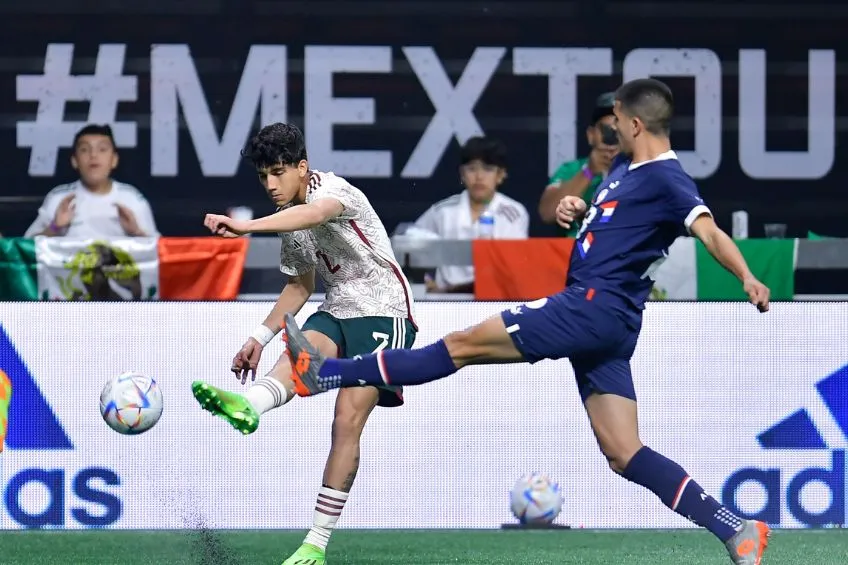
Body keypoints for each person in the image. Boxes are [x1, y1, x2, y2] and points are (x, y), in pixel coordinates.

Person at [281, 80, 772, 564]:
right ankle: (736, 528)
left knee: (461, 344)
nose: (608, 133)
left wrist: (747, 276)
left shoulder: (667, 177)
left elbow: (709, 232)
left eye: (615, 123)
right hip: (613, 324)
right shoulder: (625, 168)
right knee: (624, 452)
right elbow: (620, 232)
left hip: (591, 308)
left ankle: (326, 372)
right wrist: (578, 212)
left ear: (636, 123)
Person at [191, 123, 417, 565]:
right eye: (263, 177)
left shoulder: (332, 190)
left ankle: (315, 544)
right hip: (337, 309)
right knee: (298, 353)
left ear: (302, 167)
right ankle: (250, 405)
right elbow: (299, 286)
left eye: (279, 172)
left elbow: (314, 215)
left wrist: (244, 227)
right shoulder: (288, 223)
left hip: (384, 311)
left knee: (346, 420)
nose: (271, 185)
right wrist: (257, 337)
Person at [413, 136, 529, 293]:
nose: (479, 177)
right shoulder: (443, 211)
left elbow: (515, 266)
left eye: (488, 169)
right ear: (462, 174)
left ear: (500, 175)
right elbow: (412, 245)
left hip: (496, 298)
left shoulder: (514, 213)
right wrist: (426, 281)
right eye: (472, 169)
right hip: (446, 300)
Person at [24, 124, 158, 238]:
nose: (93, 155)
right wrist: (54, 227)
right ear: (75, 161)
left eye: (102, 149)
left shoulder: (132, 199)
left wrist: (137, 233)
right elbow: (24, 249)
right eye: (85, 150)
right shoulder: (59, 198)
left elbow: (161, 252)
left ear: (114, 160)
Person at [538, 92, 619, 237]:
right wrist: (589, 172)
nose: (611, 138)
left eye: (617, 131)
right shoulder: (571, 170)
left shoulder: (638, 170)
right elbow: (547, 213)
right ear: (591, 135)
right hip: (573, 250)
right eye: (606, 130)